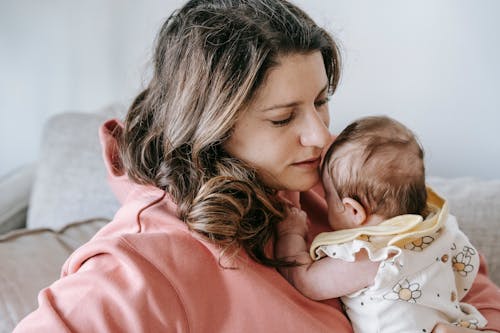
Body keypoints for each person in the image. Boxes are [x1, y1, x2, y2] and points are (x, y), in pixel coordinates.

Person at [14, 1, 500, 332]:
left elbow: (474, 293)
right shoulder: (141, 266)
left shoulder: (326, 187)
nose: (321, 136)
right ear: (209, 126)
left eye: (321, 101)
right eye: (284, 117)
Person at [275, 116, 489, 332]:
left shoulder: (370, 254)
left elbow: (305, 282)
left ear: (353, 211)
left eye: (329, 196)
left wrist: (290, 233)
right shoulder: (438, 231)